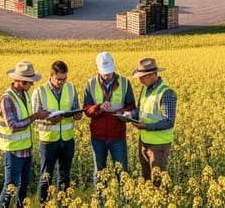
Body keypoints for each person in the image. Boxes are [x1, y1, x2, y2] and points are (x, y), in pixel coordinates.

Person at [0, 61, 51, 208]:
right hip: (13, 152)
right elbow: (13, 126)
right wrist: (35, 116)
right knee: (10, 188)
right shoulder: (7, 99)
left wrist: (41, 116)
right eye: (29, 82)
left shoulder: (25, 95)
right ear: (20, 81)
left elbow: (27, 120)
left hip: (26, 150)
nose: (32, 85)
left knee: (23, 187)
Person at [31, 60, 83, 203]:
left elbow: (75, 108)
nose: (62, 82)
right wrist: (49, 120)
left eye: (64, 79)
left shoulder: (71, 88)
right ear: (51, 75)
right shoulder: (39, 92)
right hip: (48, 141)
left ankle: (64, 204)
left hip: (67, 140)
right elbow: (34, 118)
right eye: (59, 79)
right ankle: (44, 205)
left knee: (65, 176)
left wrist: (78, 115)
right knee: (46, 177)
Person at [83, 51, 136, 188]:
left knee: (123, 173)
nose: (107, 75)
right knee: (99, 174)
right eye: (104, 72)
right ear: (98, 69)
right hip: (98, 138)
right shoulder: (91, 84)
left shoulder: (124, 83)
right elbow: (86, 109)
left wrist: (122, 112)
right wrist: (98, 108)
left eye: (110, 72)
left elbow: (131, 106)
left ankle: (125, 203)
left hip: (118, 136)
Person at [129, 57, 177, 188]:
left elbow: (169, 121)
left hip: (159, 146)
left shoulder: (165, 93)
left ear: (152, 75)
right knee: (147, 182)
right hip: (144, 142)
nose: (140, 80)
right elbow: (140, 110)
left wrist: (146, 126)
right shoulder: (146, 89)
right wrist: (130, 115)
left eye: (142, 77)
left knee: (158, 183)